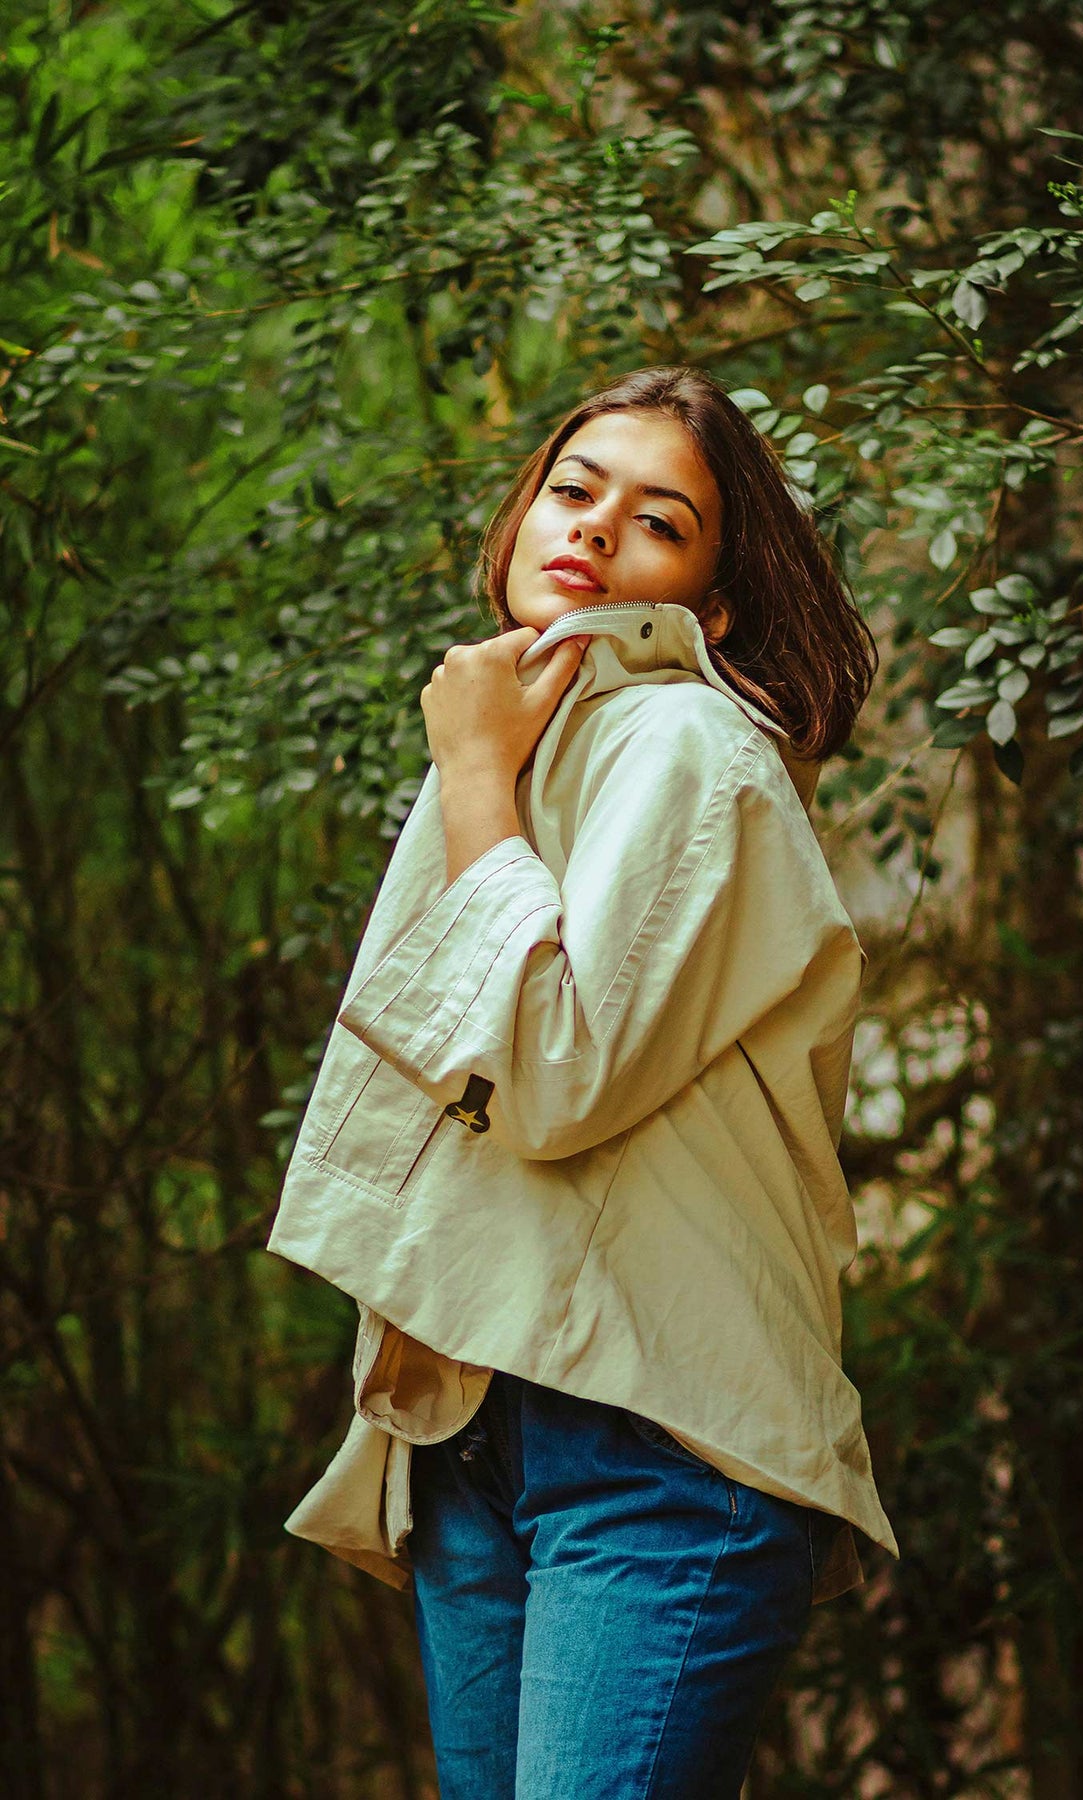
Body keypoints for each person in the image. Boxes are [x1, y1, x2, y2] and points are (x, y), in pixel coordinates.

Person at [266, 365, 899, 1799]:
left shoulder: (689, 750)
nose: (597, 531)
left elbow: (549, 1078)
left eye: (659, 521)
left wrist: (478, 780)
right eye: (574, 489)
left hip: (656, 1446)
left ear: (711, 603)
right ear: (520, 515)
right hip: (486, 1433)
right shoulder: (529, 740)